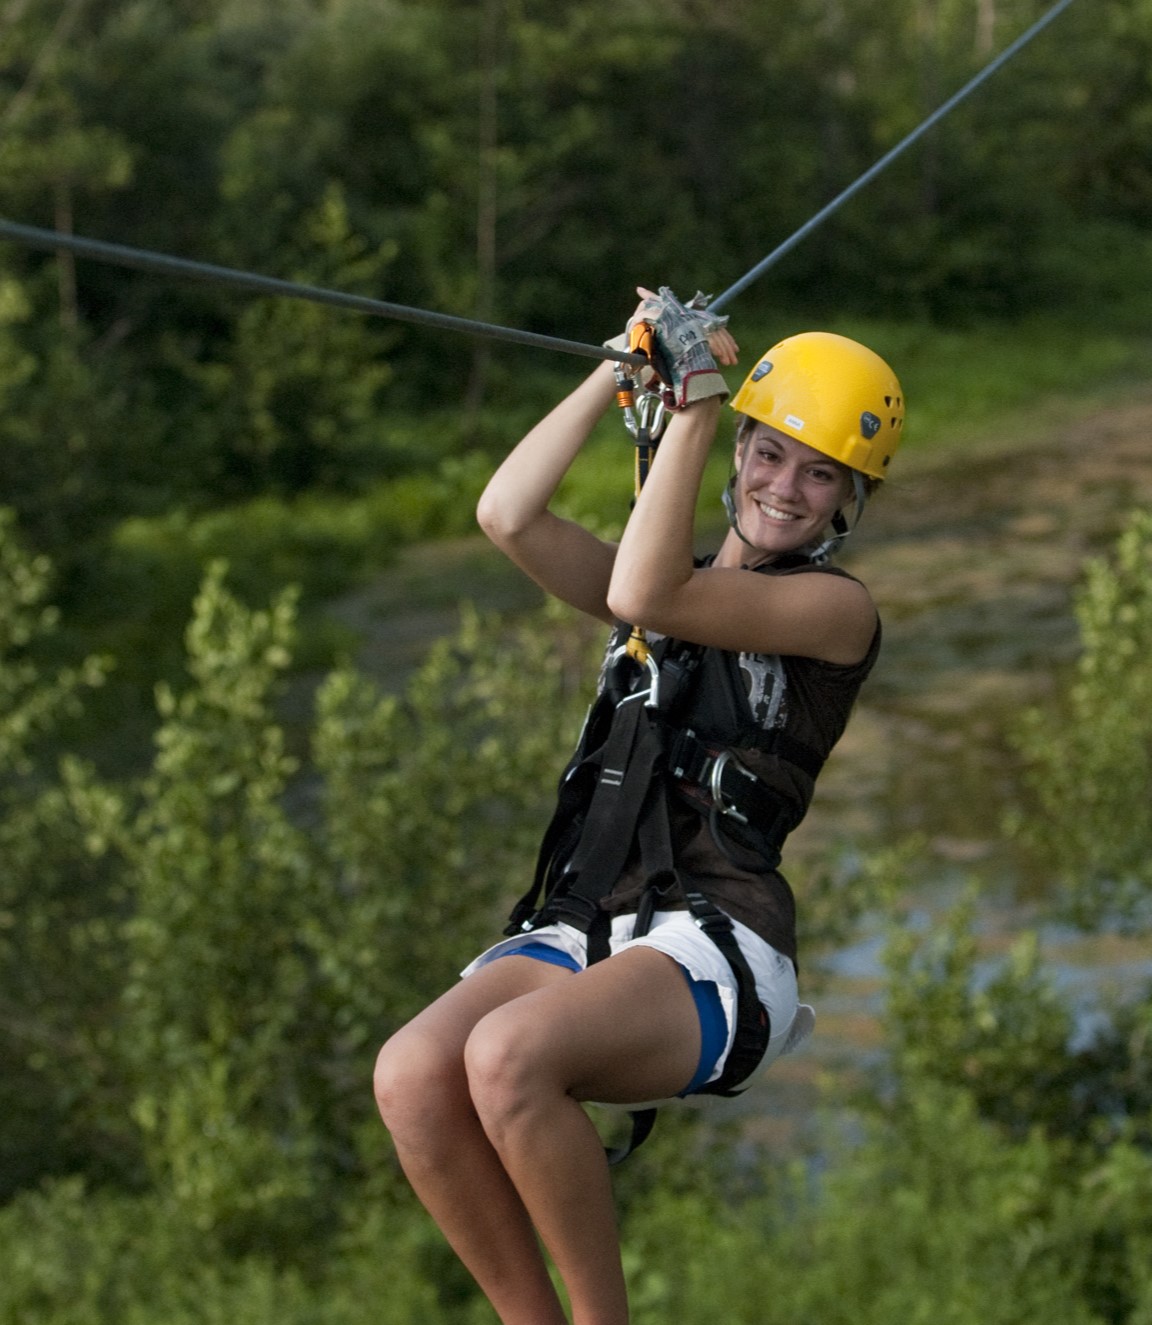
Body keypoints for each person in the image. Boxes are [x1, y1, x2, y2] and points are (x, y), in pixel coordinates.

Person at [373, 288, 905, 1325]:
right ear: (740, 457)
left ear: (847, 504)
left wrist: (697, 406)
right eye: (766, 453)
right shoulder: (658, 581)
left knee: (507, 1055)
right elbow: (506, 514)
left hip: (712, 933)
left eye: (818, 473)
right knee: (412, 1072)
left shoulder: (834, 612)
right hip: (587, 920)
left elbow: (649, 595)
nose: (783, 487)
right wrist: (621, 367)